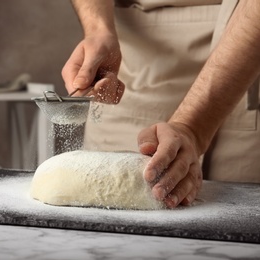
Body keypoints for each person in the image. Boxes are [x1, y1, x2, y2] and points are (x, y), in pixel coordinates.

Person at [61, 0, 260, 209]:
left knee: (233, 217)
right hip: (136, 54)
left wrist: (192, 128)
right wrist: (98, 28)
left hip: (246, 50)